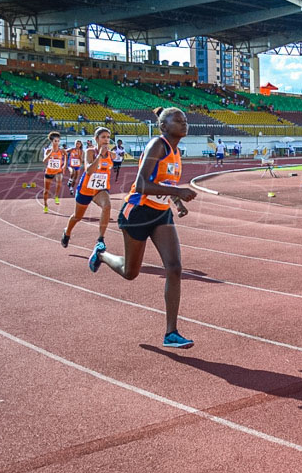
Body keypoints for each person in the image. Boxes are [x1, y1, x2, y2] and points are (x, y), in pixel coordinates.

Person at [89, 107, 198, 348]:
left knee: (175, 267)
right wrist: (177, 192)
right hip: (138, 213)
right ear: (164, 127)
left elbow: (165, 182)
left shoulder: (175, 151)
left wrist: (177, 202)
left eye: (185, 120)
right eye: (178, 120)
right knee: (130, 272)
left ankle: (171, 333)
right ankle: (101, 254)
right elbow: (140, 184)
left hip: (160, 214)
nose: (184, 123)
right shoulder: (157, 145)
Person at [61, 128, 113, 254]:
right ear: (96, 139)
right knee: (77, 217)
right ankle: (67, 231)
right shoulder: (90, 152)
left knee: (107, 206)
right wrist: (100, 155)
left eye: (108, 137)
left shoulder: (111, 154)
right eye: (103, 137)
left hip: (100, 189)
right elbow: (89, 171)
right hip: (86, 189)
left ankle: (100, 239)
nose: (106, 140)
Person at [41, 131, 65, 214]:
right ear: (52, 141)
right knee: (46, 190)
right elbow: (44, 161)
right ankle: (45, 205)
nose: (57, 143)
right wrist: (50, 153)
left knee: (59, 183)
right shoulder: (48, 151)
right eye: (55, 141)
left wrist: (64, 165)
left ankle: (56, 196)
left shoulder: (61, 151)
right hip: (49, 171)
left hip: (58, 171)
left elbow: (65, 155)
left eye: (58, 141)